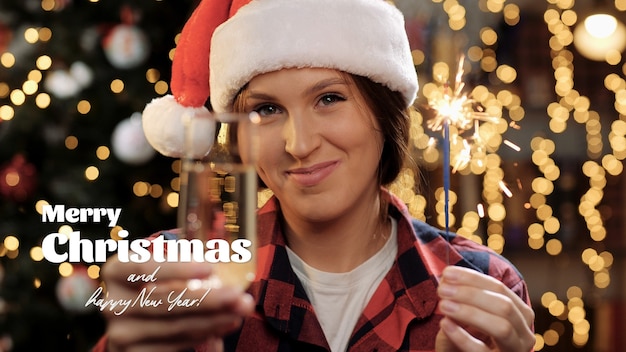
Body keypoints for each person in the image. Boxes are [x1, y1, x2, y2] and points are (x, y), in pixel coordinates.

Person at [93, 0, 535, 351]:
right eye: (266, 109)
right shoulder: (172, 275)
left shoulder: (483, 286)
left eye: (328, 99)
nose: (298, 144)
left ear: (386, 114)